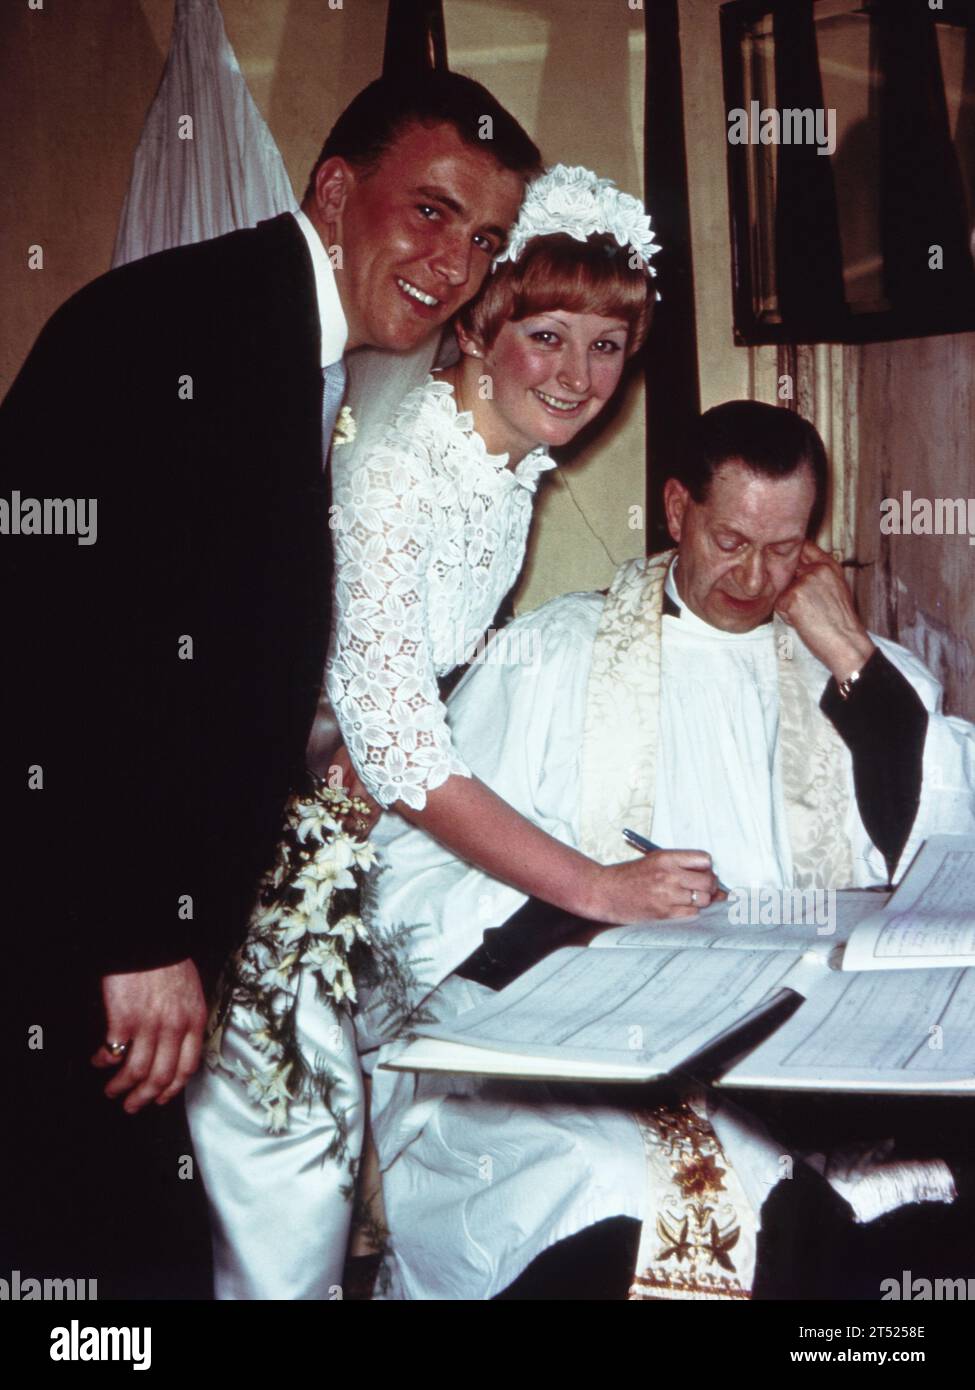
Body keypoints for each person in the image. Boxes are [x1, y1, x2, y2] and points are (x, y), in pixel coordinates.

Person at [1, 70, 536, 1297]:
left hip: (142, 918)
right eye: (435, 212)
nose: (458, 262)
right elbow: (48, 634)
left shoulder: (276, 335)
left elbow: (202, 645)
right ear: (338, 191)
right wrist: (137, 931)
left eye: (487, 238)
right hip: (76, 926)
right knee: (88, 1269)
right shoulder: (191, 333)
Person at [356, 400, 975, 1300]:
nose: (754, 576)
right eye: (729, 540)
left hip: (802, 1055)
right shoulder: (551, 657)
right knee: (646, 1189)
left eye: (782, 548)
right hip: (584, 1049)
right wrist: (579, 903)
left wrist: (844, 649)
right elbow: (411, 870)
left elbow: (944, 863)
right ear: (677, 507)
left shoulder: (867, 677)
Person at [187, 163, 671, 1298]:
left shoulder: (500, 466)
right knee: (291, 1161)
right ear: (483, 320)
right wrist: (593, 885)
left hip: (352, 828)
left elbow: (406, 701)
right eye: (547, 335)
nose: (577, 375)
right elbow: (400, 749)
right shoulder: (403, 469)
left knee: (383, 1113)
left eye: (607, 346)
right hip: (269, 846)